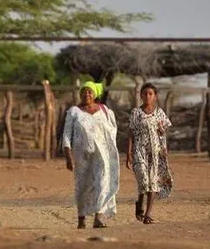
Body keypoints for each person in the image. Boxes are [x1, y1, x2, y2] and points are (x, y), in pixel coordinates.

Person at [62, 81, 120, 229]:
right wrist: (68, 156)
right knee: (83, 186)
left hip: (102, 155)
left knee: (102, 183)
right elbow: (67, 134)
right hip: (82, 156)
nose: (86, 94)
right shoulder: (74, 111)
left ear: (95, 95)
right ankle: (81, 218)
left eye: (90, 92)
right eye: (84, 91)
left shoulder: (104, 110)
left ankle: (98, 217)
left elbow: (112, 130)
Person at [126, 82, 173, 224]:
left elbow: (164, 131)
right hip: (139, 150)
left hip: (155, 151)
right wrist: (128, 153)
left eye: (150, 94)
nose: (147, 96)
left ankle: (147, 214)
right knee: (143, 179)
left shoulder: (160, 113)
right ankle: (140, 202)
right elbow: (130, 133)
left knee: (153, 182)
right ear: (141, 95)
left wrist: (164, 146)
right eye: (145, 93)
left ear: (155, 96)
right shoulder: (136, 113)